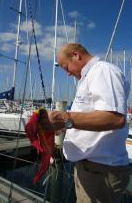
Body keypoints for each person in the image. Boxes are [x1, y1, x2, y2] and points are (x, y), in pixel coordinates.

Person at [40, 43, 130, 203]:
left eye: (66, 67)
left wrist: (64, 118)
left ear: (76, 55)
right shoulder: (88, 78)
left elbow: (115, 119)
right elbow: (88, 119)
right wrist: (64, 126)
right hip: (90, 168)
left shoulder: (103, 71)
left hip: (100, 171)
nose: (67, 73)